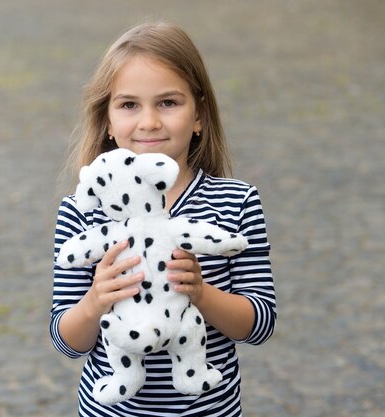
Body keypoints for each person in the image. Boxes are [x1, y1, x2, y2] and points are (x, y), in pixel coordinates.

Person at [50, 21, 276, 417]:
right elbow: (67, 340)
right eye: (129, 105)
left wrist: (202, 294)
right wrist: (95, 301)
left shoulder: (236, 202)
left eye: (168, 103)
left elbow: (259, 324)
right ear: (106, 119)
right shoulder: (82, 211)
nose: (149, 122)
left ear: (199, 115)